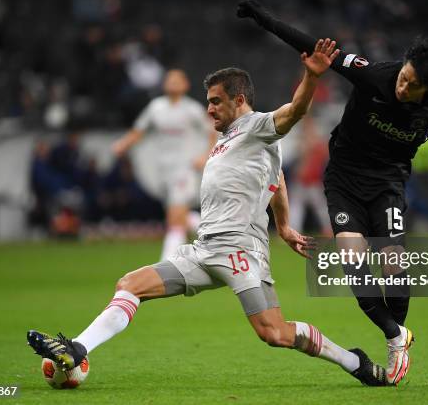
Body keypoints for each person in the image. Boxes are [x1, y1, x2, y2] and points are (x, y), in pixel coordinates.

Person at [27, 40, 389, 387]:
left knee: (274, 333)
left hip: (240, 252)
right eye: (208, 102)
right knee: (130, 284)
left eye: (216, 102)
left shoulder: (258, 127)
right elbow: (276, 178)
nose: (209, 109)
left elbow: (294, 111)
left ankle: (353, 361)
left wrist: (311, 77)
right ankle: (77, 348)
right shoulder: (228, 138)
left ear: (240, 99)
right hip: (204, 250)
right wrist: (284, 226)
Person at [237, 0, 428, 385]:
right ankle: (395, 335)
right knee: (354, 263)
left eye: (413, 85)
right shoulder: (373, 76)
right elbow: (318, 49)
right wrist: (264, 18)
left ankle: (396, 334)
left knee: (394, 267)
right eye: (403, 77)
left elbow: (409, 147)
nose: (403, 87)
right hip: (343, 180)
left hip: (387, 184)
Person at [112, 69, 217, 261]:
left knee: (175, 216)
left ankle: (168, 260)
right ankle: (223, 232)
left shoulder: (192, 109)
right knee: (179, 216)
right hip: (164, 169)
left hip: (186, 168)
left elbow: (212, 132)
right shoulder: (156, 107)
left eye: (178, 80)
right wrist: (123, 144)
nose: (173, 83)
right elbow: (139, 130)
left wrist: (205, 156)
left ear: (186, 85)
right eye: (170, 80)